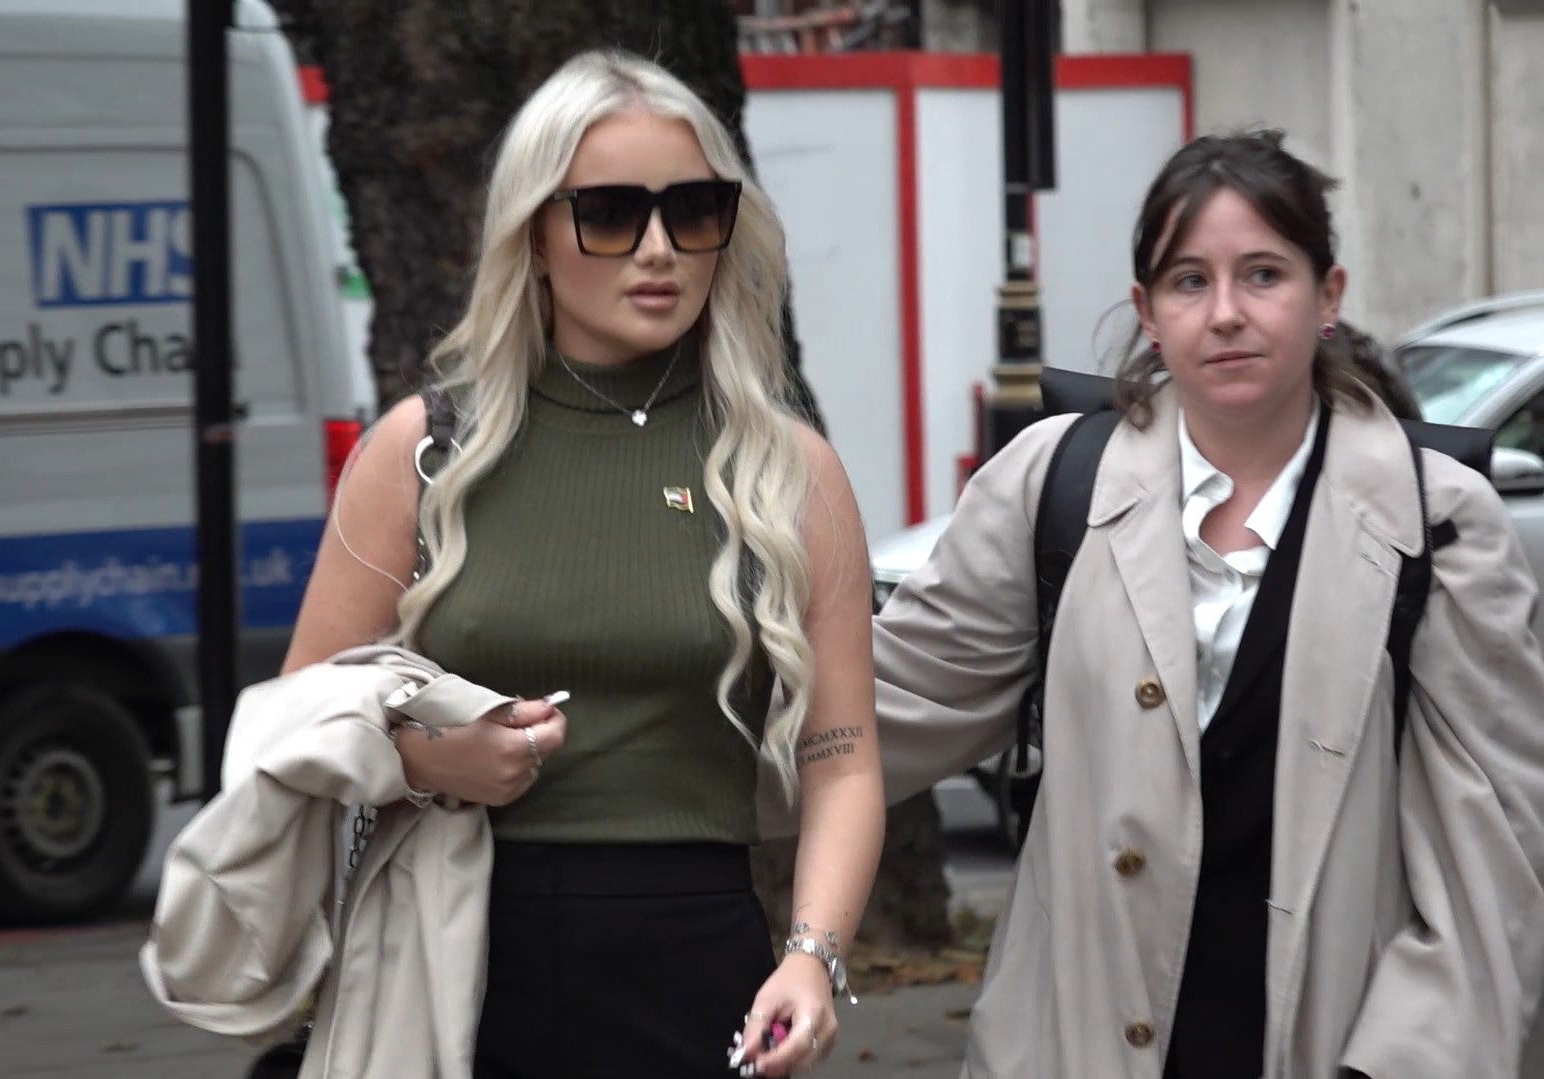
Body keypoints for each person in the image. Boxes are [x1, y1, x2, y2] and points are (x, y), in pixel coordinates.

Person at [872, 129, 1544, 1078]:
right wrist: (673, 753)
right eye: (1190, 281)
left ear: (1328, 295)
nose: (1226, 312)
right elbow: (885, 705)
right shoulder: (1051, 483)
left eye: (1263, 274)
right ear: (1147, 310)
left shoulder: (1437, 520)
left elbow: (1493, 865)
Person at [281, 49, 885, 1079]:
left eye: (692, 210)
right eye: (609, 213)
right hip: (448, 955)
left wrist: (812, 956)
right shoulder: (423, 453)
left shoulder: (788, 469)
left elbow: (843, 761)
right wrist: (426, 759)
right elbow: (294, 723)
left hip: (694, 962)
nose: (658, 249)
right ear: (534, 234)